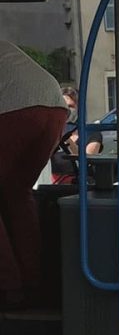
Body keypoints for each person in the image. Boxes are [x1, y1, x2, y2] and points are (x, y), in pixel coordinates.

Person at [0, 41, 69, 308]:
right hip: (54, 106)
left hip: (14, 106)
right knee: (16, 194)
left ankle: (7, 286)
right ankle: (32, 280)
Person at [50, 86, 103, 184]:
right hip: (57, 184)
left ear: (79, 108)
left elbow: (87, 160)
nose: (67, 111)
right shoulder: (54, 131)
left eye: (70, 106)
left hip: (82, 184)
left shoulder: (92, 133)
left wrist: (66, 138)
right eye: (63, 107)